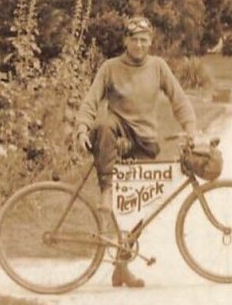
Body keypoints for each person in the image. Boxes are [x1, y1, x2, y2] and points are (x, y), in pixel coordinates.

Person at [74, 16, 198, 288]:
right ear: (125, 42)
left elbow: (179, 99)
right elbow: (91, 100)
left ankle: (121, 269)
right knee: (103, 125)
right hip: (118, 134)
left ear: (150, 42)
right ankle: (107, 189)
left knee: (140, 205)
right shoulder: (110, 68)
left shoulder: (158, 67)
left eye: (144, 40)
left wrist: (191, 129)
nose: (139, 45)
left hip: (146, 141)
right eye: (134, 40)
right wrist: (82, 128)